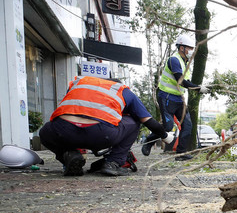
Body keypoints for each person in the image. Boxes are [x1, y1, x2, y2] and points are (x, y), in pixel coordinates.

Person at [38, 76, 174, 177]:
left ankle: (69, 155)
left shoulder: (79, 83)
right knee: (134, 120)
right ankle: (113, 162)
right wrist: (166, 136)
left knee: (45, 131)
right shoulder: (123, 91)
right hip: (101, 134)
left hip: (63, 131)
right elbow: (148, 121)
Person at [143, 33, 209, 160]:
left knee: (187, 125)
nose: (191, 51)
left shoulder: (185, 63)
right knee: (168, 127)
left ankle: (181, 153)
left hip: (179, 99)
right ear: (181, 48)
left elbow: (185, 82)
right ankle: (148, 142)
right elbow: (180, 81)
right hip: (166, 97)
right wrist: (198, 88)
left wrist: (197, 87)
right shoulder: (174, 60)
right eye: (189, 48)